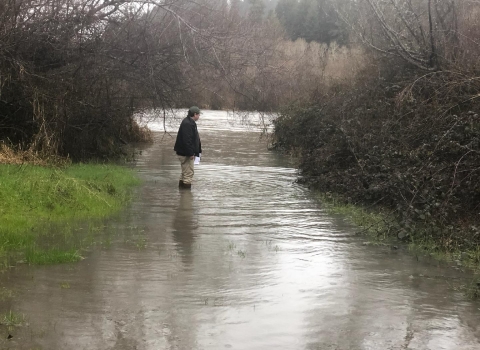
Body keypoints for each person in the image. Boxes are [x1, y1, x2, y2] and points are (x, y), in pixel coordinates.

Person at [174, 106, 202, 189]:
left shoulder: (188, 122)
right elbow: (187, 140)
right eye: (199, 114)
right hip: (185, 153)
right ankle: (186, 197)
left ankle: (181, 193)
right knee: (189, 174)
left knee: (184, 173)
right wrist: (190, 153)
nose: (199, 116)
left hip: (183, 152)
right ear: (195, 114)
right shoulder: (188, 124)